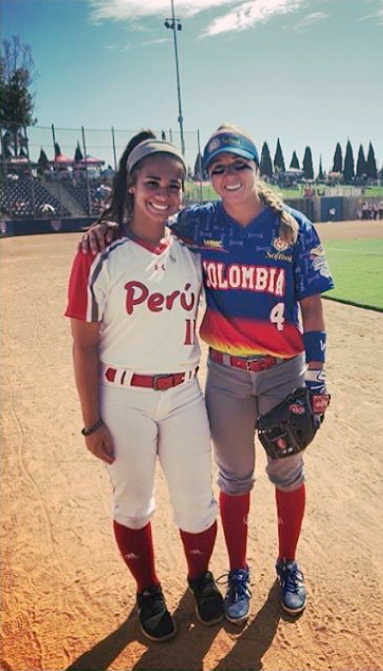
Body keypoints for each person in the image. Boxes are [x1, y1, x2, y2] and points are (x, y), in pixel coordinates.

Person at [81, 123, 335, 624]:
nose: (228, 175)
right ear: (209, 177)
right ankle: (237, 571)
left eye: (239, 165)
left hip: (284, 372)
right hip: (225, 375)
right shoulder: (199, 222)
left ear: (255, 168)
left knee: (287, 472)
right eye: (218, 169)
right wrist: (107, 226)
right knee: (235, 479)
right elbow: (147, 218)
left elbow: (313, 308)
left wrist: (317, 376)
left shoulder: (295, 228)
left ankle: (288, 564)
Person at [66, 131, 224, 642]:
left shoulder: (192, 250)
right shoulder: (98, 253)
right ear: (132, 185)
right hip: (123, 396)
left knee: (198, 498)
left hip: (183, 394)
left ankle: (200, 578)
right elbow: (84, 345)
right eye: (152, 181)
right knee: (133, 503)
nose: (164, 193)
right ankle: (148, 588)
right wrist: (91, 421)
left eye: (174, 185)